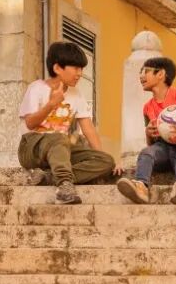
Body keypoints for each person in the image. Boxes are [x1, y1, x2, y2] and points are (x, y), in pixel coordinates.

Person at [18, 41, 120, 204]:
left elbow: (88, 129)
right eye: (75, 68)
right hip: (32, 148)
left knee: (106, 161)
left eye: (81, 69)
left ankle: (48, 177)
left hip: (60, 151)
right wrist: (51, 104)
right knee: (59, 137)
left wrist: (101, 154)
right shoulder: (36, 88)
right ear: (58, 68)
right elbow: (30, 123)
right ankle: (64, 186)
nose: (79, 74)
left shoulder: (76, 94)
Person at [116, 56, 176, 205]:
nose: (141, 76)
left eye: (146, 71)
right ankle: (141, 187)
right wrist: (148, 133)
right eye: (141, 72)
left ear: (160, 74)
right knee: (146, 153)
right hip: (162, 147)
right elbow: (150, 144)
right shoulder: (147, 107)